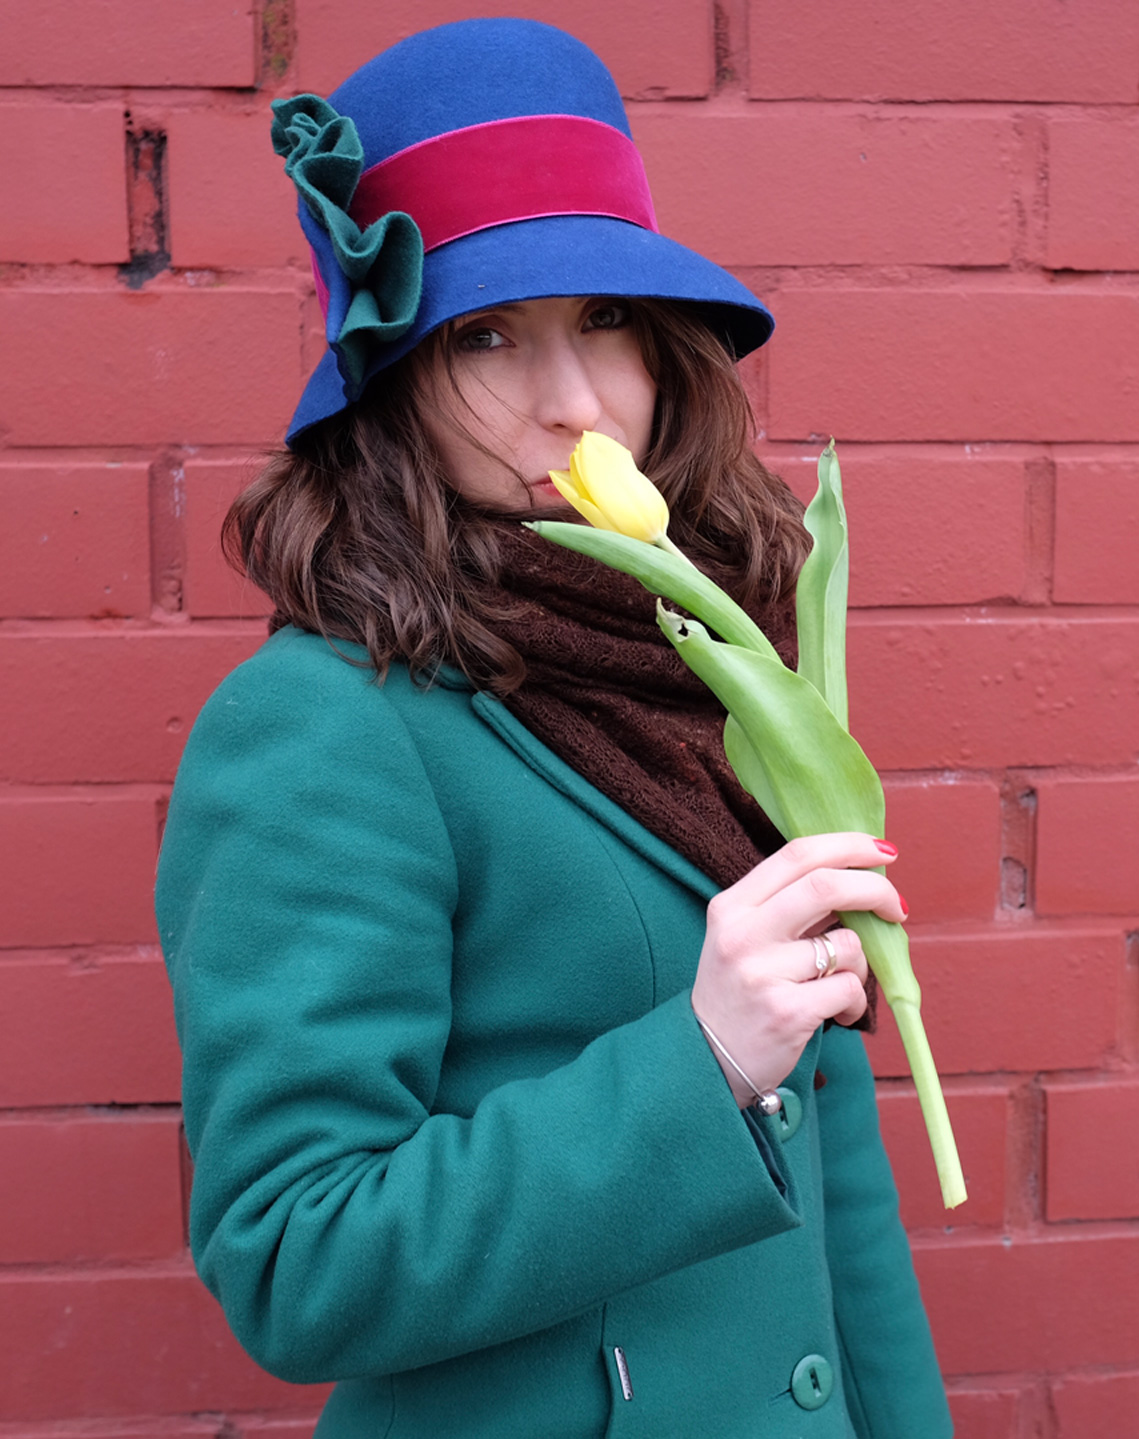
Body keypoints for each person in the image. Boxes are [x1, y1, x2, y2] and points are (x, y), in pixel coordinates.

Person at [156, 18, 952, 1438]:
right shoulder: (321, 727)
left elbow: (837, 1188)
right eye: (485, 337)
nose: (576, 401)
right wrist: (696, 1063)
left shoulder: (720, 665)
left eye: (604, 320)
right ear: (392, 384)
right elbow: (294, 1257)